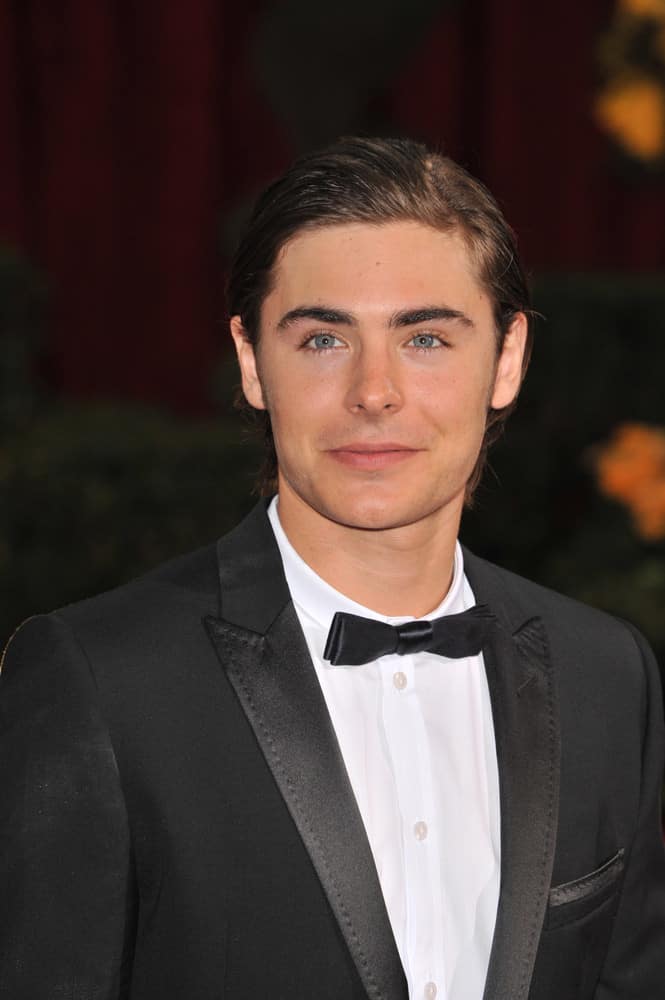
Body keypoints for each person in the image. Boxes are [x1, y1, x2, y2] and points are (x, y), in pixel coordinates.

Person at [1, 136, 664, 1000]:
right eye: (322, 340)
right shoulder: (98, 680)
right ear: (251, 363)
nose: (374, 391)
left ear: (505, 360)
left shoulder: (606, 675)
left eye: (425, 338)